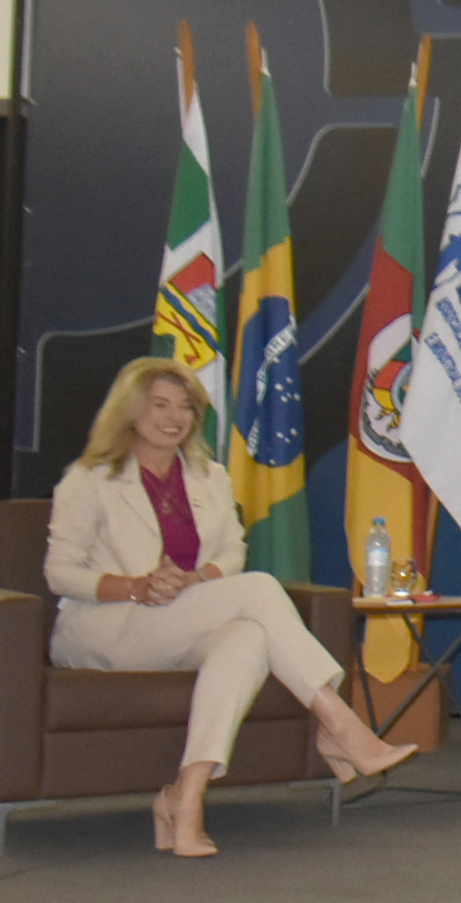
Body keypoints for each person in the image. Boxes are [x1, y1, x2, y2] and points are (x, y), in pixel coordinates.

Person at [43, 356, 416, 857]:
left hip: (180, 620)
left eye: (186, 408)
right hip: (105, 627)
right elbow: (60, 573)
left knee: (247, 638)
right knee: (259, 590)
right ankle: (339, 723)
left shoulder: (210, 477)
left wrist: (197, 578)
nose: (175, 418)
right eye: (160, 405)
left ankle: (186, 797)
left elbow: (231, 553)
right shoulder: (89, 479)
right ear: (130, 411)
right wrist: (136, 586)